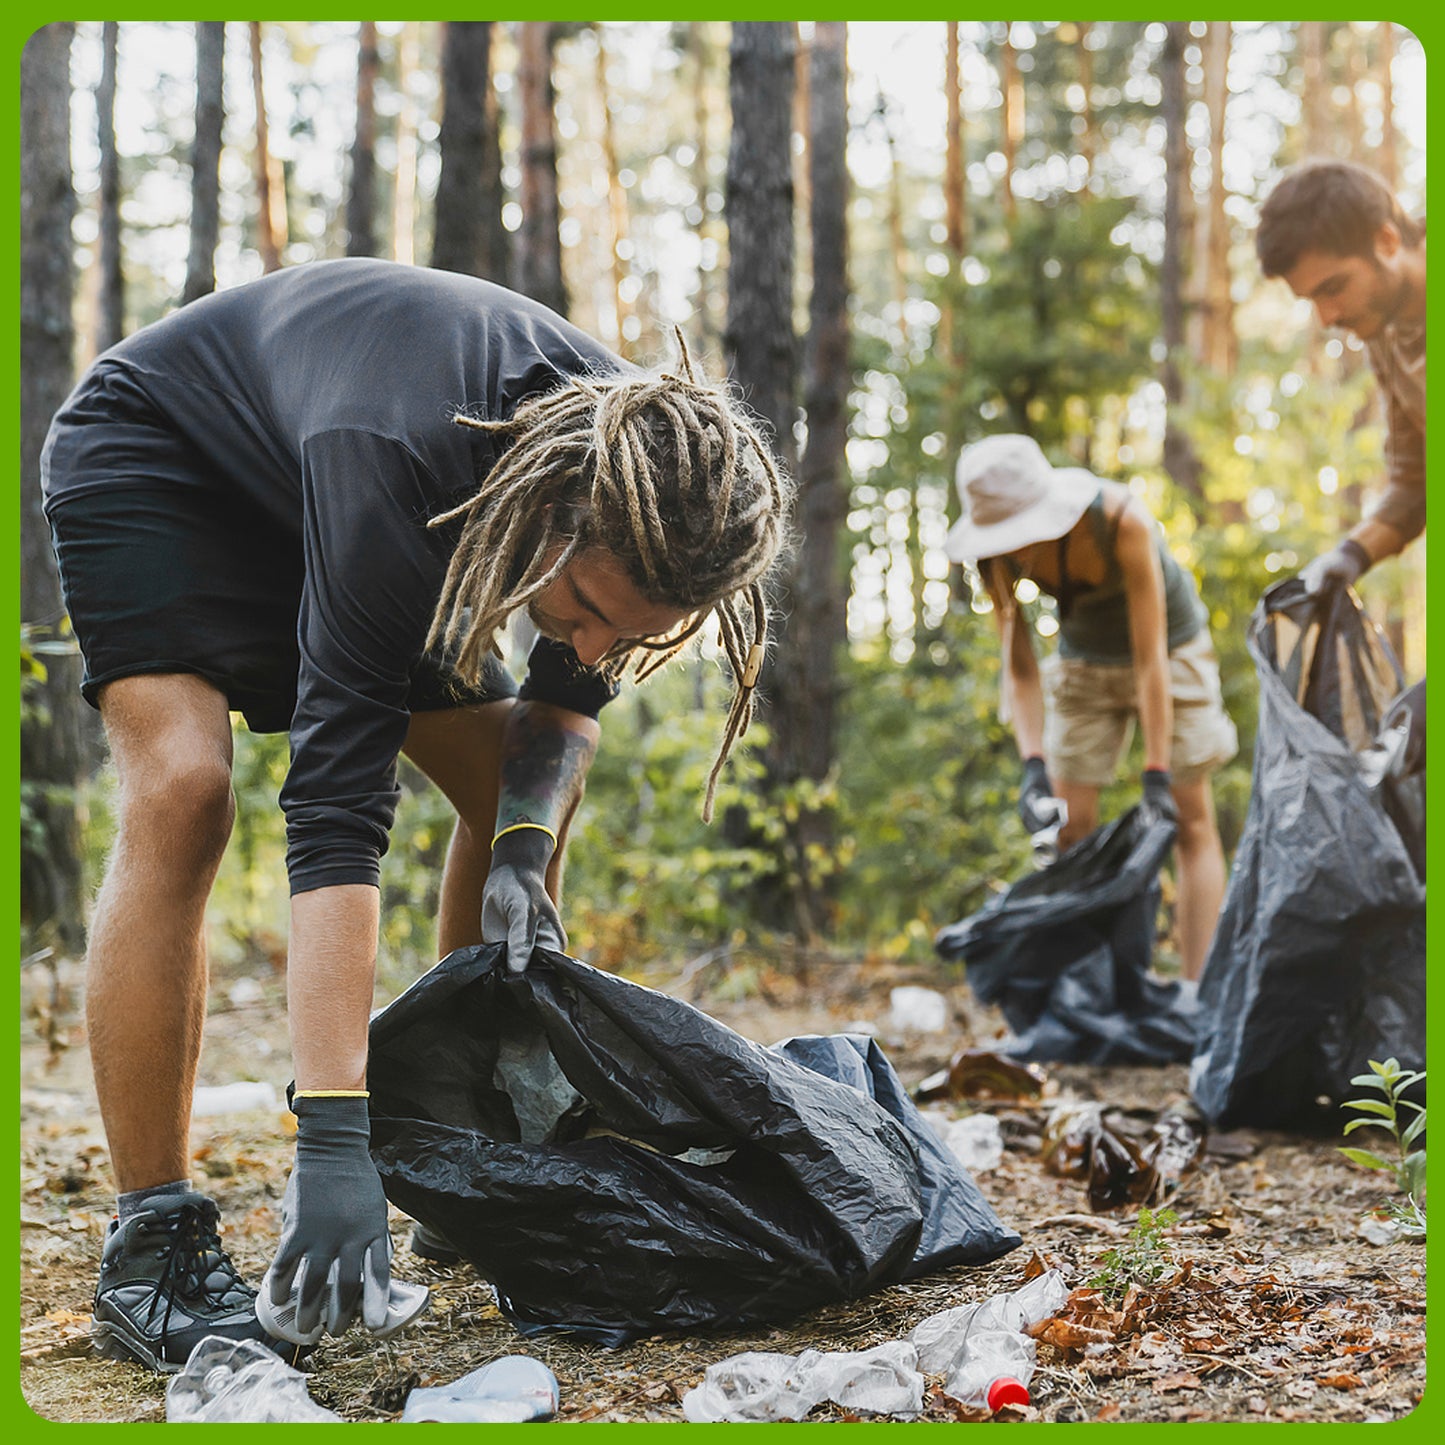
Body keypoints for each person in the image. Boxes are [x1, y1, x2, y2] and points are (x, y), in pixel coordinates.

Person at [40, 257, 792, 1371]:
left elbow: (562, 708)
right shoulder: (420, 457)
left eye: (626, 633)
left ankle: (460, 1142)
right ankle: (152, 1235)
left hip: (373, 487)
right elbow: (337, 806)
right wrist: (331, 1137)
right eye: (580, 609)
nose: (588, 644)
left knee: (511, 789)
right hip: (164, 452)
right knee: (185, 792)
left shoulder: (662, 483)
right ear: (551, 511)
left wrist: (524, 854)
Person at [945, 434, 1238, 982]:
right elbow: (1021, 664)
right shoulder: (992, 557)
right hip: (1084, 662)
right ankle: (1085, 994)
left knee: (1188, 817)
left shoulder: (1121, 519)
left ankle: (1202, 997)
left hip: (1170, 650)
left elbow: (1149, 657)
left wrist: (1155, 774)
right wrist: (1033, 767)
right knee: (1069, 829)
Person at [1255, 159, 1426, 595]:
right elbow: (1416, 481)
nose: (1327, 317)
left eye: (1333, 288)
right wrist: (1348, 556)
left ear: (1387, 240)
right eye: (1311, 298)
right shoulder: (1384, 332)